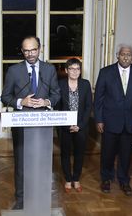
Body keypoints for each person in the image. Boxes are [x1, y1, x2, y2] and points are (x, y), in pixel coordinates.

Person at [0, 36, 61, 209]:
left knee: (42, 163)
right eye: (26, 50)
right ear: (22, 51)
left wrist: (46, 102)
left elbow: (56, 94)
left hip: (43, 125)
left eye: (33, 50)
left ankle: (41, 199)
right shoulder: (13, 70)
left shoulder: (49, 70)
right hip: (21, 124)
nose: (30, 54)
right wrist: (21, 102)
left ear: (39, 49)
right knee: (21, 164)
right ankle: (20, 201)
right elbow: (5, 96)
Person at [94, 43, 132, 196]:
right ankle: (106, 178)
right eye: (123, 54)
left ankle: (124, 181)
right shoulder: (105, 72)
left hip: (131, 121)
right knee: (107, 153)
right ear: (117, 55)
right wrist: (98, 120)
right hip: (109, 121)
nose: (126, 57)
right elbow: (98, 98)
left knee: (126, 153)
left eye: (129, 54)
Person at [57, 58, 92, 193]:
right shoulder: (60, 84)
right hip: (64, 127)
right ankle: (67, 179)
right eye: (71, 69)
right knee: (65, 153)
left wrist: (80, 125)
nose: (75, 71)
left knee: (79, 153)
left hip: (81, 127)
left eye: (77, 69)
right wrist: (66, 125)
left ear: (80, 71)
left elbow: (88, 107)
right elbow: (57, 107)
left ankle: (76, 179)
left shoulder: (85, 84)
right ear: (66, 70)